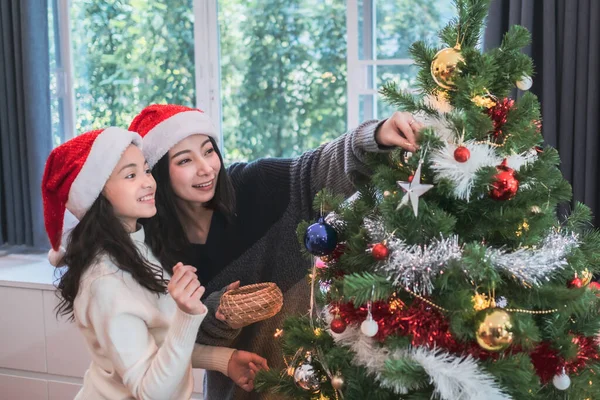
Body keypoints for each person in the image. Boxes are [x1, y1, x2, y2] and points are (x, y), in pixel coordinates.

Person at [129, 105, 422, 399]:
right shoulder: (153, 249)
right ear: (158, 174)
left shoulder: (258, 184)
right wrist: (220, 314)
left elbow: (321, 165)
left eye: (208, 151)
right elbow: (175, 343)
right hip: (238, 392)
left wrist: (376, 136)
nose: (205, 168)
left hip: (319, 382)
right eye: (185, 160)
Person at [41, 127, 268, 399]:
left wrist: (223, 359)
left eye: (146, 171)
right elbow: (151, 392)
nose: (148, 182)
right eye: (130, 175)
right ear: (97, 194)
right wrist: (187, 315)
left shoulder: (137, 246)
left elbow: (160, 345)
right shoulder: (105, 280)